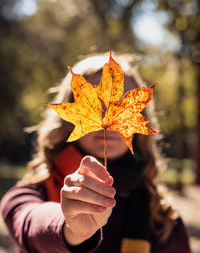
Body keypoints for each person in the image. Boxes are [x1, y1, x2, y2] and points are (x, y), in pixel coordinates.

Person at [0, 52, 191, 253]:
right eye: (96, 107)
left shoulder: (162, 216)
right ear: (68, 121)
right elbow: (28, 222)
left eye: (120, 109)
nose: (106, 119)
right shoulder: (34, 192)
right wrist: (70, 228)